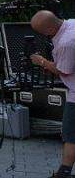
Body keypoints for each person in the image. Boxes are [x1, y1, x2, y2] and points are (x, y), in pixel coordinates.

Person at [28, 11, 75, 178]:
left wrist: (41, 61)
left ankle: (64, 172)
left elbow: (63, 70)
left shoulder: (66, 43)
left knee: (70, 133)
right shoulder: (71, 23)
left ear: (48, 30)